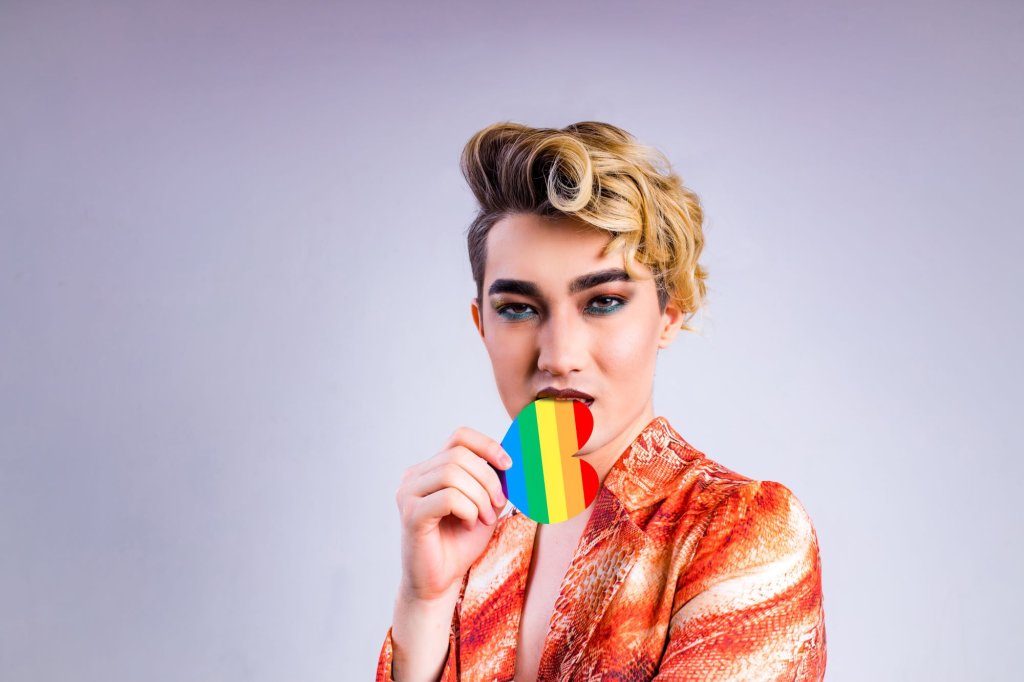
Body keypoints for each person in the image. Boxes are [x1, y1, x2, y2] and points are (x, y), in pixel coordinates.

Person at [375, 121, 827, 681]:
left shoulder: (742, 531)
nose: (559, 355)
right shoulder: (472, 537)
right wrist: (424, 603)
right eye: (518, 308)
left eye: (603, 301)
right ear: (481, 325)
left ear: (669, 314)